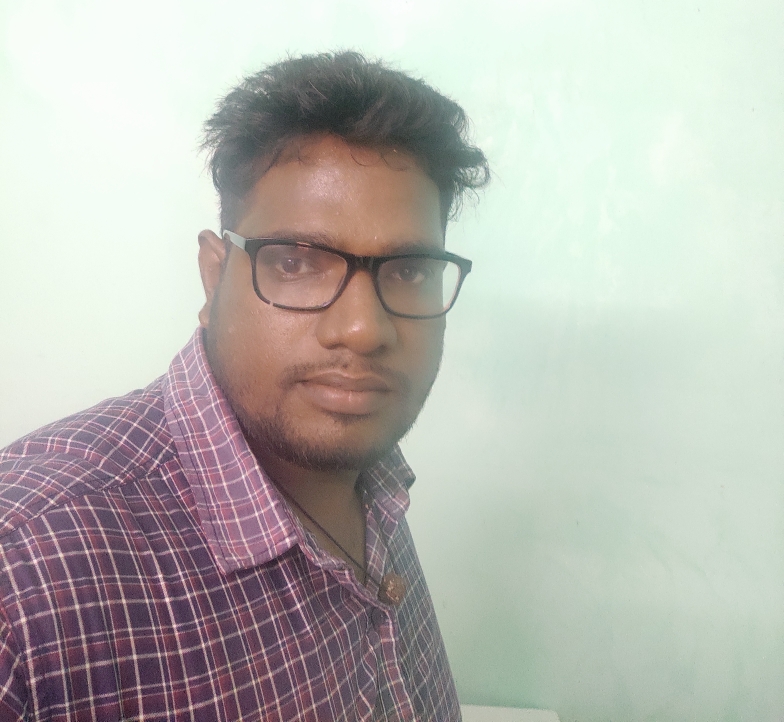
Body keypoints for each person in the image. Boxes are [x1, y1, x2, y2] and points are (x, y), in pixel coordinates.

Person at [0, 51, 489, 722]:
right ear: (214, 276)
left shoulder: (369, 472)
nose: (361, 329)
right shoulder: (23, 578)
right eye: (296, 263)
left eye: (409, 271)